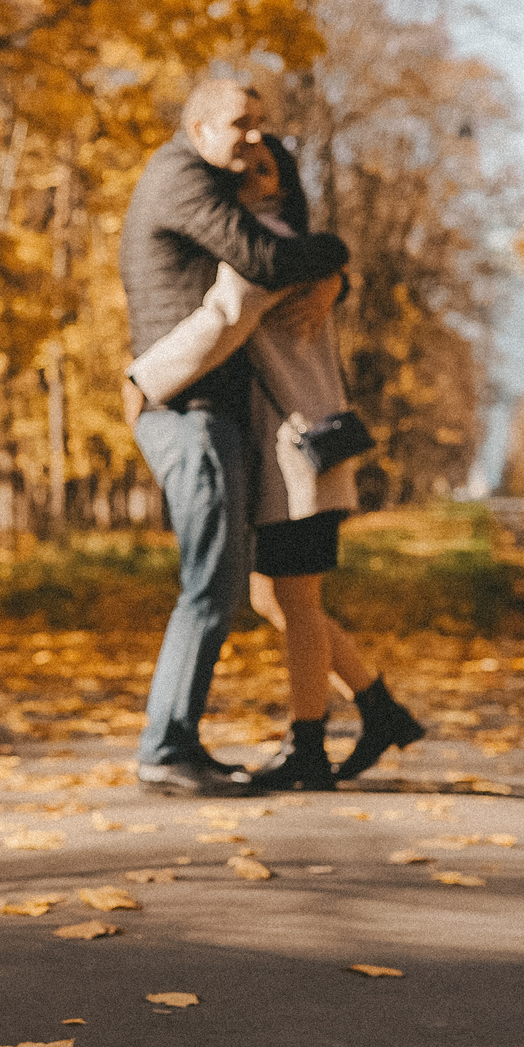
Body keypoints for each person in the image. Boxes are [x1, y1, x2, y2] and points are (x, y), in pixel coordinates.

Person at [127, 138, 424, 789]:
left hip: (299, 455)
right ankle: (378, 708)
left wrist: (143, 380)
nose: (246, 177)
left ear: (283, 185)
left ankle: (310, 746)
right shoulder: (295, 254)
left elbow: (222, 320)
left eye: (264, 170)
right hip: (299, 453)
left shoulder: (268, 254)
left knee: (294, 598)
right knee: (276, 597)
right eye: (243, 166)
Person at [118, 77, 348, 796]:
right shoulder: (182, 179)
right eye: (241, 126)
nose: (255, 139)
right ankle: (165, 746)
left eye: (262, 126)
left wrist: (332, 275)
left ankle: (179, 740)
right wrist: (336, 252)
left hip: (206, 409)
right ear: (197, 125)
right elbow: (264, 263)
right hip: (186, 406)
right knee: (213, 587)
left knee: (230, 587)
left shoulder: (206, 179)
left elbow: (275, 257)